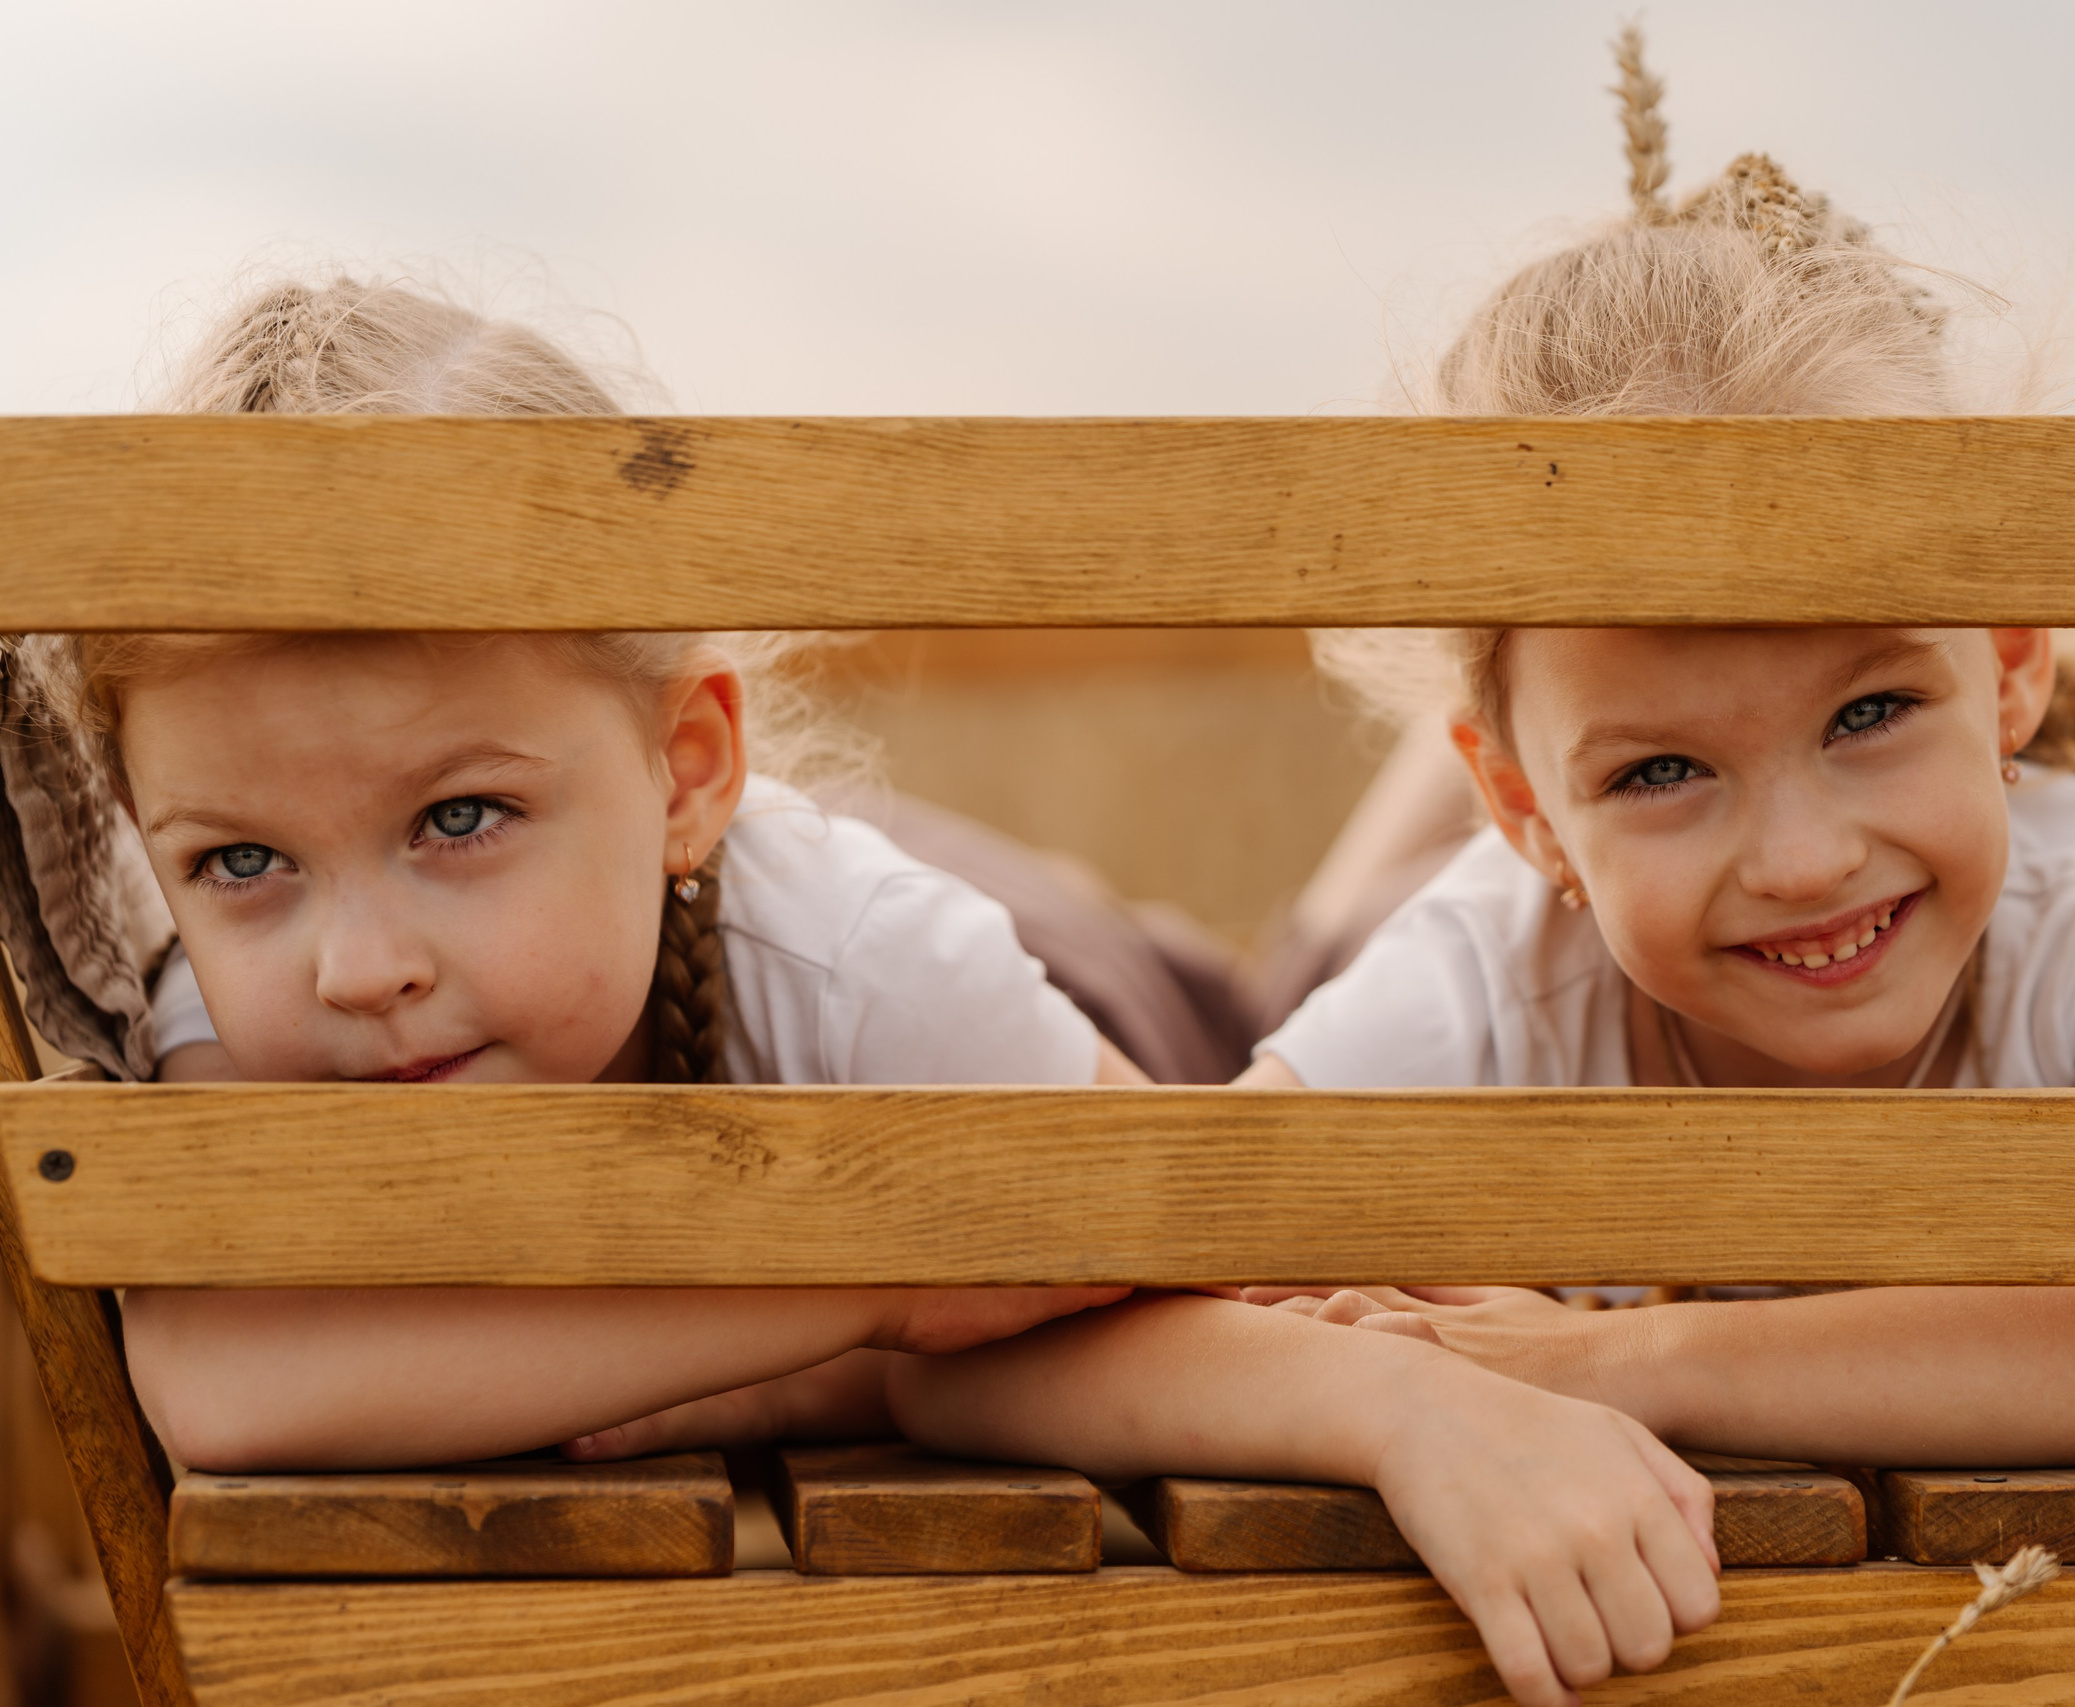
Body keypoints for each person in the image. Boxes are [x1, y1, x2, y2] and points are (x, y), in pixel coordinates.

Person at [2, 277, 1714, 1707]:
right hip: (889, 1024)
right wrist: (877, 1278)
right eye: (240, 864)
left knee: (1316, 981)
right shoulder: (222, 972)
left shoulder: (880, 968)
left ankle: (1443, 775)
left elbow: (1187, 1238)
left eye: (461, 820)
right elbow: (233, 1382)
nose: (356, 965)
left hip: (1118, 1003)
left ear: (685, 769)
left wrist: (1418, 1397)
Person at [1239, 30, 2075, 1475]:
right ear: (1519, 812)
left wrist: (1600, 1362)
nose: (1806, 861)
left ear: (2008, 669)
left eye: (1869, 715)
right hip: (1363, 958)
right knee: (1277, 966)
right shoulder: (1492, 972)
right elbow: (1184, 1245)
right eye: (1660, 772)